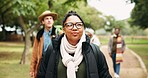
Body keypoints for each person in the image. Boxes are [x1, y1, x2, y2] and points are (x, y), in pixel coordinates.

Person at [37, 11, 112, 78]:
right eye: (70, 25)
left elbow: (105, 75)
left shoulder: (94, 51)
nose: (75, 28)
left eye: (79, 25)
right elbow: (42, 74)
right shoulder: (52, 49)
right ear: (64, 29)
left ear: (83, 28)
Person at [30, 10, 58, 78]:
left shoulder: (58, 33)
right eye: (47, 19)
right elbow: (34, 53)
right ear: (43, 22)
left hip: (54, 63)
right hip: (42, 63)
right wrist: (32, 69)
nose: (49, 20)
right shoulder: (39, 35)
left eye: (51, 18)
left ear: (53, 21)